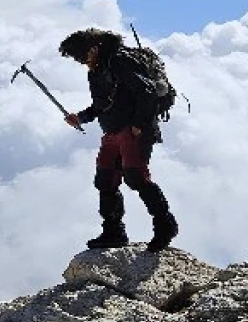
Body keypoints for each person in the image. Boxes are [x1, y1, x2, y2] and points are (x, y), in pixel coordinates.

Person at [59, 28, 179, 252]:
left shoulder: (120, 61)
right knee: (105, 179)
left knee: (136, 177)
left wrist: (139, 125)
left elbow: (148, 91)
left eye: (80, 55)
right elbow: (102, 104)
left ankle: (165, 226)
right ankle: (113, 232)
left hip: (133, 131)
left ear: (93, 48)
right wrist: (81, 117)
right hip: (113, 131)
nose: (80, 61)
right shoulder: (96, 69)